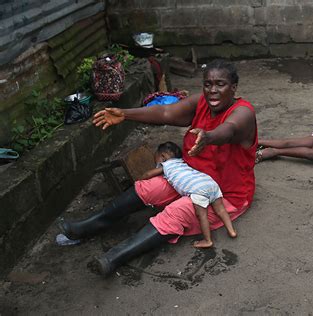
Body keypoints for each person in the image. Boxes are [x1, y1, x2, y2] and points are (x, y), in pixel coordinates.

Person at [58, 59, 257, 276]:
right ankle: (87, 227)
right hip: (191, 177)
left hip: (224, 194)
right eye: (208, 84)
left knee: (177, 212)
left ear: (234, 87)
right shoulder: (201, 102)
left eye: (220, 84)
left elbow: (228, 130)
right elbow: (165, 113)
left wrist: (208, 137)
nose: (213, 90)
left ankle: (112, 258)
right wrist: (125, 114)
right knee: (149, 187)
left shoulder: (243, 113)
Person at [140, 141, 237, 248]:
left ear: (162, 157)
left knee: (202, 216)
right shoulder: (182, 162)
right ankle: (231, 231)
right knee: (221, 210)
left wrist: (141, 179)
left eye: (156, 160)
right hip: (210, 182)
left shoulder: (165, 165)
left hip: (198, 189)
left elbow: (148, 174)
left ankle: (207, 240)